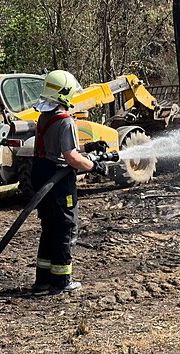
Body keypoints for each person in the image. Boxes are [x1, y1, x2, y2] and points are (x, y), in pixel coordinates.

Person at [31, 70, 110, 295]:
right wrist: (95, 166)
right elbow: (71, 157)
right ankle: (62, 280)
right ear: (65, 93)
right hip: (58, 181)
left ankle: (43, 280)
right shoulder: (65, 120)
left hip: (41, 176)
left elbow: (61, 148)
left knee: (49, 229)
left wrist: (90, 147)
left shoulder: (44, 116)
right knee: (65, 228)